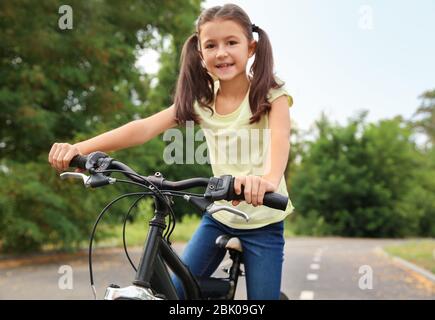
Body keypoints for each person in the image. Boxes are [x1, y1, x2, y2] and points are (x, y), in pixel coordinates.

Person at [48, 3, 294, 300]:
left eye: (231, 42)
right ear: (200, 55)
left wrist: (265, 181)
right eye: (211, 45)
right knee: (176, 293)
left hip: (264, 220)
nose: (221, 53)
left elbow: (281, 144)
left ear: (251, 47)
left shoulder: (272, 95)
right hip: (220, 214)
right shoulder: (201, 102)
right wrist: (79, 149)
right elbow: (142, 129)